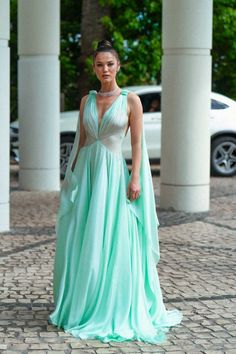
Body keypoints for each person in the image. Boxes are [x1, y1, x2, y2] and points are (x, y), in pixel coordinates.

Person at [48, 39, 182, 344]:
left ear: (118, 66)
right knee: (85, 235)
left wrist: (134, 178)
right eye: (99, 64)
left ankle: (113, 303)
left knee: (114, 235)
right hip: (88, 175)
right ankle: (84, 301)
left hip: (113, 173)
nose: (105, 69)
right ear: (94, 68)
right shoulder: (86, 101)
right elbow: (81, 141)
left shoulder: (130, 100)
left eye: (110, 64)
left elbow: (137, 144)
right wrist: (71, 178)